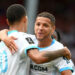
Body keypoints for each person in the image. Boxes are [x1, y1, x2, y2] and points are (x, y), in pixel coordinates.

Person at [0, 4, 71, 75]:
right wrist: (62, 51)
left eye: (45, 25)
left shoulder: (3, 40)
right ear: (25, 19)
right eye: (38, 24)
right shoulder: (24, 38)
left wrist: (3, 35)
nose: (40, 28)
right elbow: (37, 57)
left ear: (7, 21)